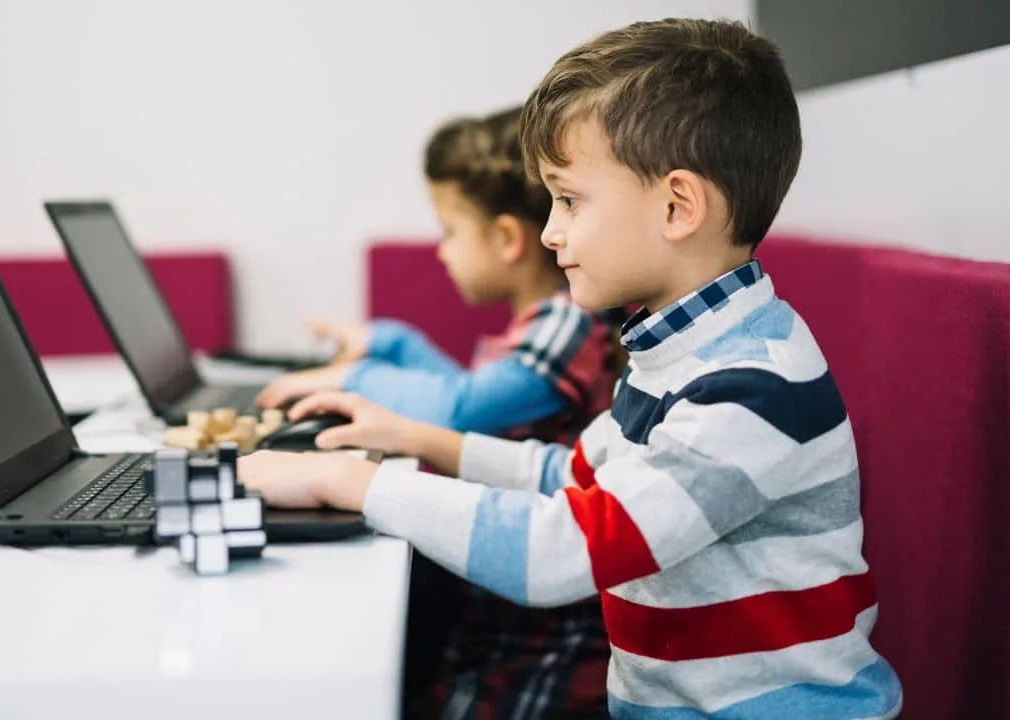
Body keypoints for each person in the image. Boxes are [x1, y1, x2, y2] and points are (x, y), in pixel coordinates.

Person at [240, 18, 903, 719]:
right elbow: (571, 475)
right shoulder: (678, 349)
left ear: (677, 205)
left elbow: (560, 551)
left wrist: (354, 483)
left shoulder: (750, 389)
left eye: (568, 199)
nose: (550, 230)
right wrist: (416, 439)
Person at [254, 107, 617, 446]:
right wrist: (392, 343)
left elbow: (460, 408)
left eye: (450, 232)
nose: (442, 251)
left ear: (507, 238)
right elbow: (463, 390)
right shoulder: (547, 321)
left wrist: (350, 378)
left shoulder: (568, 323)